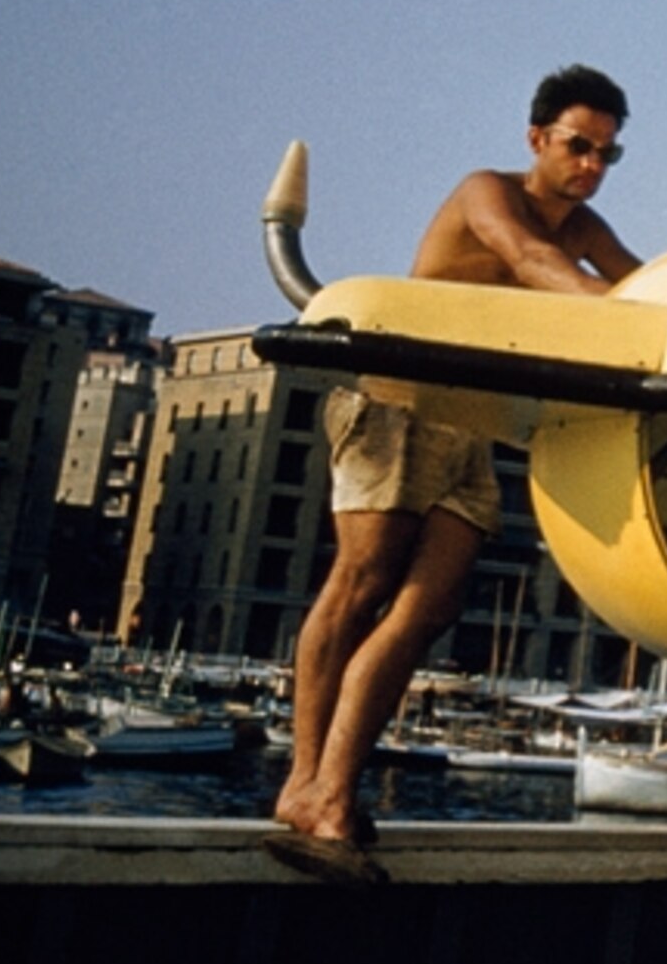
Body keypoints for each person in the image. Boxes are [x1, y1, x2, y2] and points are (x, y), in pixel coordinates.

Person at [268, 65, 641, 878]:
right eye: (578, 146)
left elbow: (639, 279)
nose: (591, 165)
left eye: (607, 154)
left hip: (471, 425)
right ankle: (308, 786)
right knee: (361, 584)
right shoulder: (487, 191)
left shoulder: (587, 228)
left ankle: (330, 788)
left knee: (429, 606)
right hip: (397, 400)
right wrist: (625, 315)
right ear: (537, 137)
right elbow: (529, 258)